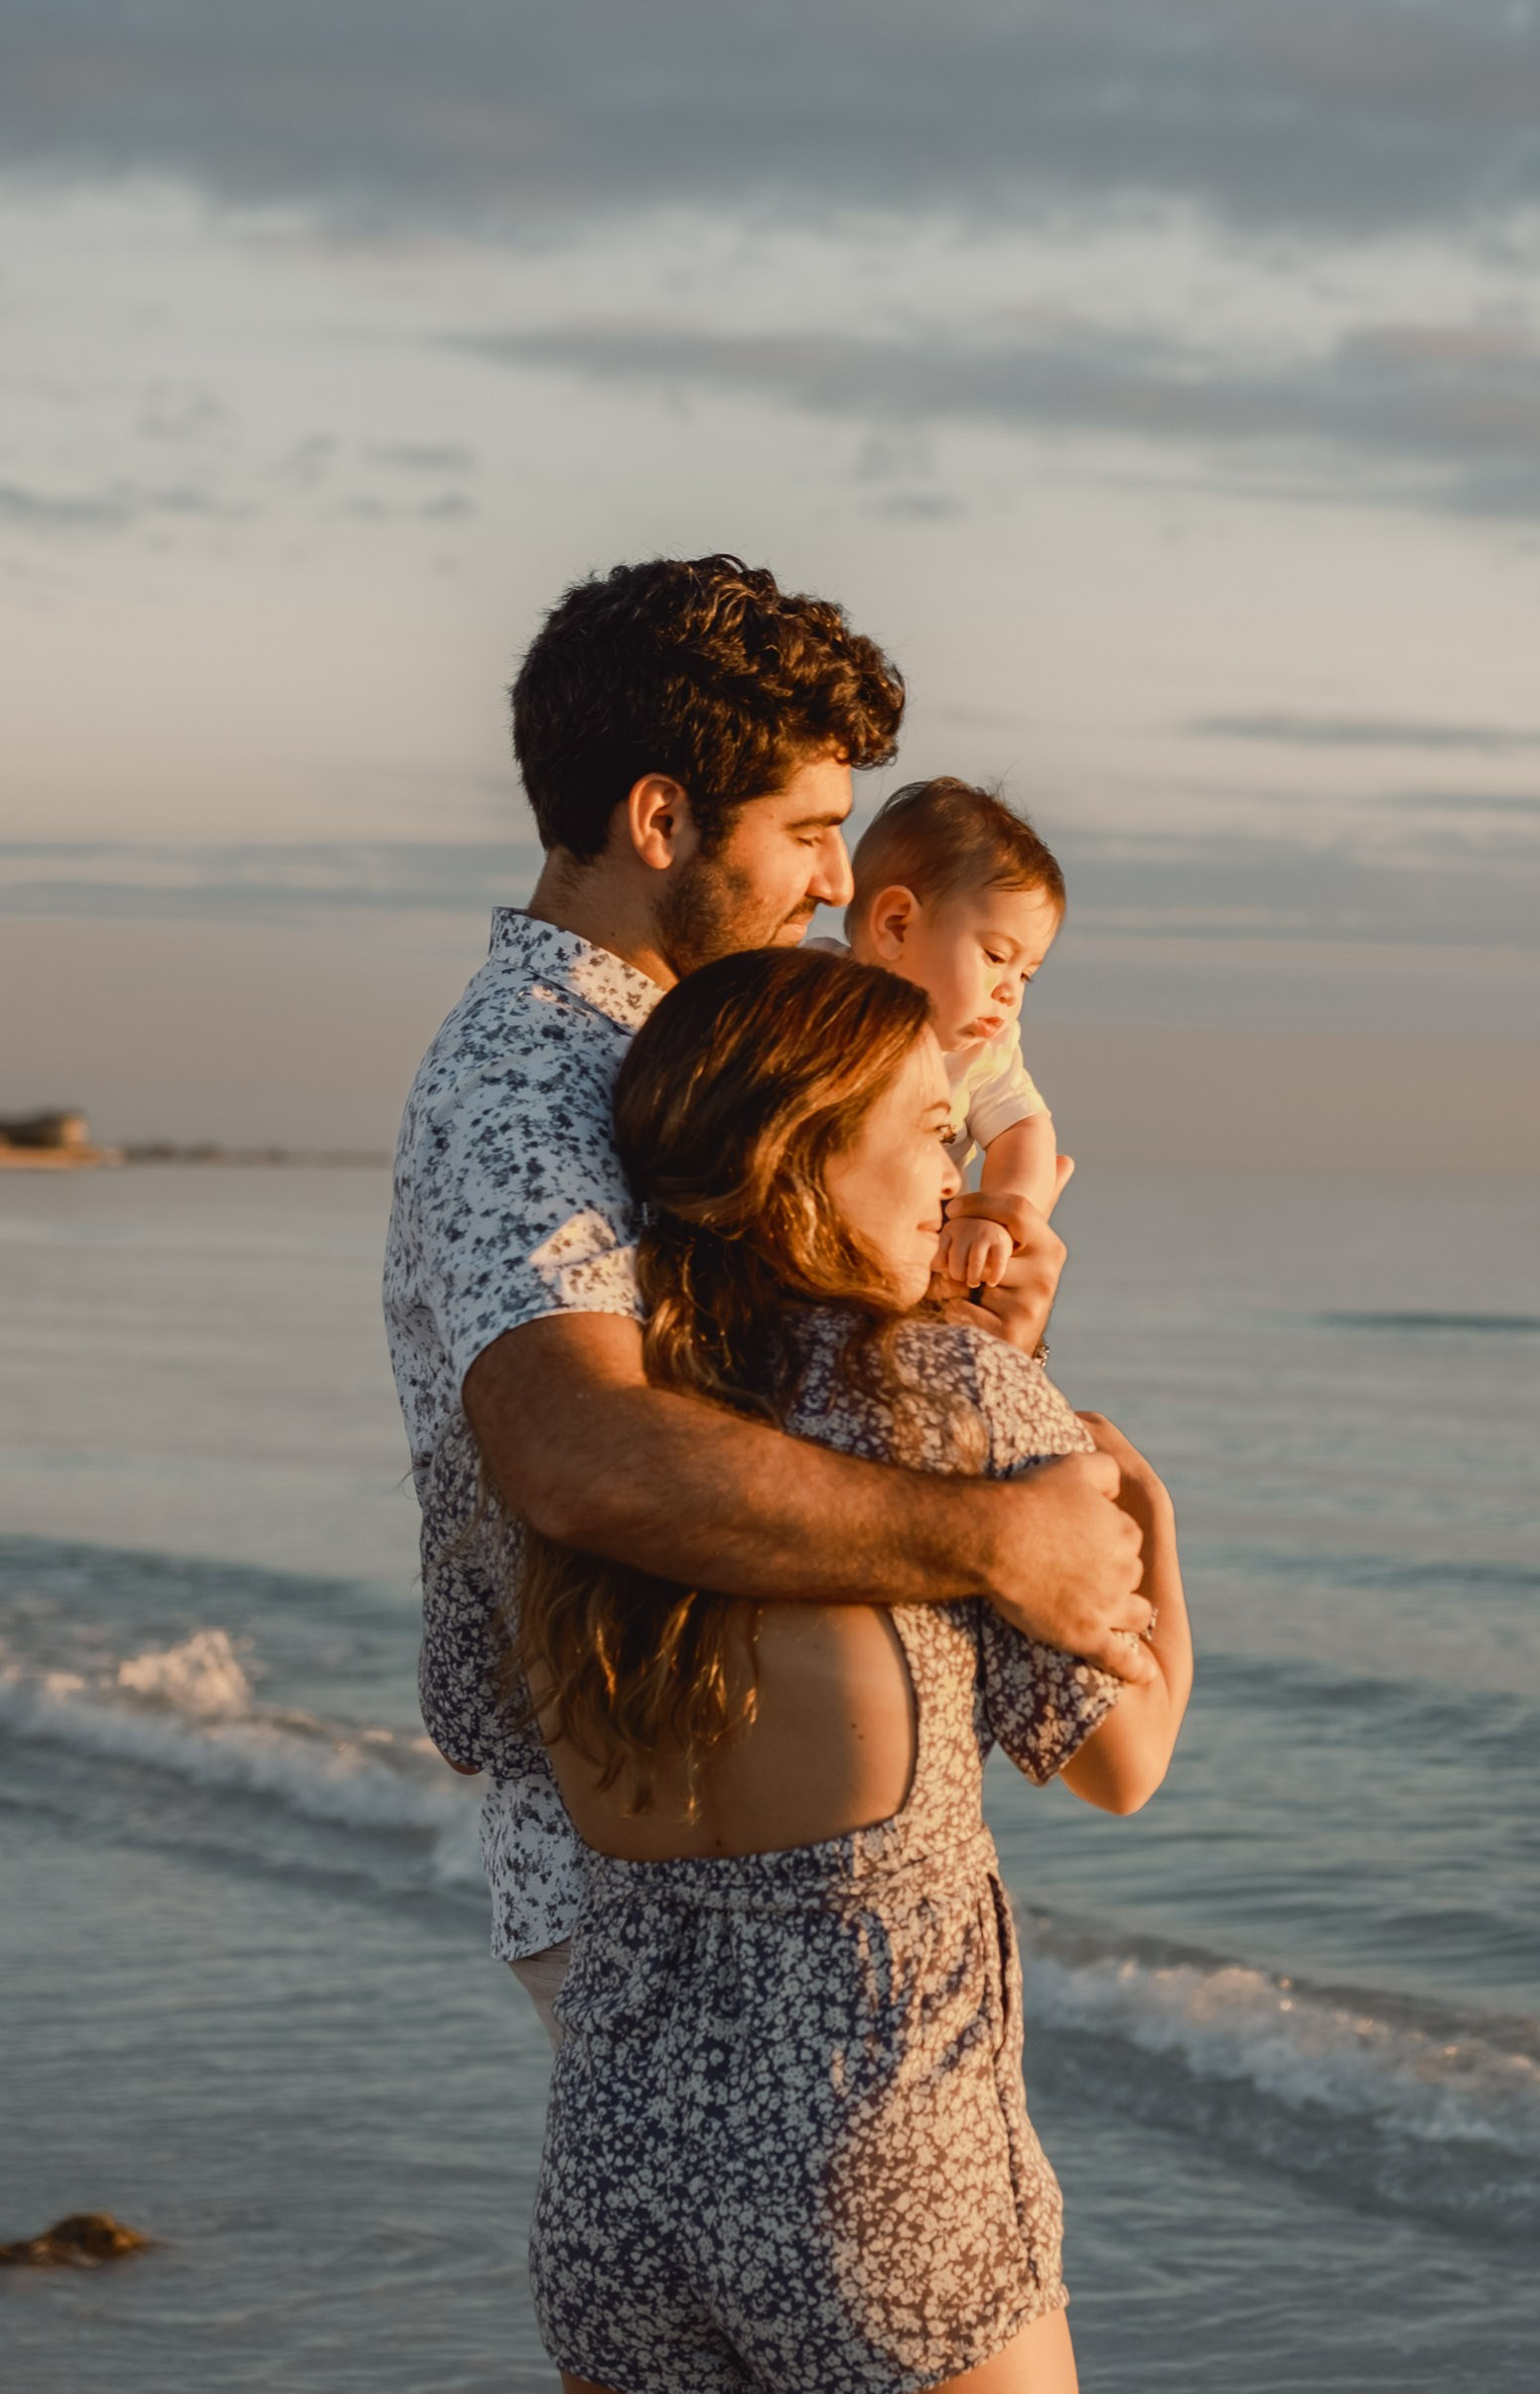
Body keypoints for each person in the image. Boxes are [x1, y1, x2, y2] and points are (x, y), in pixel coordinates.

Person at [381, 554, 1156, 2035]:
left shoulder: (679, 1050)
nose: (839, 881)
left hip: (771, 1862)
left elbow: (756, 1376)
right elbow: (574, 1446)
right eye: (808, 831)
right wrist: (996, 1539)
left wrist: (963, 1340)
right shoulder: (532, 1076)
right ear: (658, 819)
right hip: (668, 1907)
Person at [517, 946, 1192, 2394]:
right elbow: (1122, 1762)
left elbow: (474, 1715)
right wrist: (1147, 1510)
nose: (956, 1177)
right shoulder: (958, 1395)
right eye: (931, 1132)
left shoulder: (593, 1423)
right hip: (873, 2167)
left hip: (615, 2163)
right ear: (803, 1158)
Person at [845, 778, 1068, 1298]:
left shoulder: (980, 1054)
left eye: (1026, 975)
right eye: (996, 957)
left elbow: (1024, 1130)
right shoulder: (806, 1001)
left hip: (922, 1263)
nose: (1009, 992)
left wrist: (996, 1218)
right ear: (897, 926)